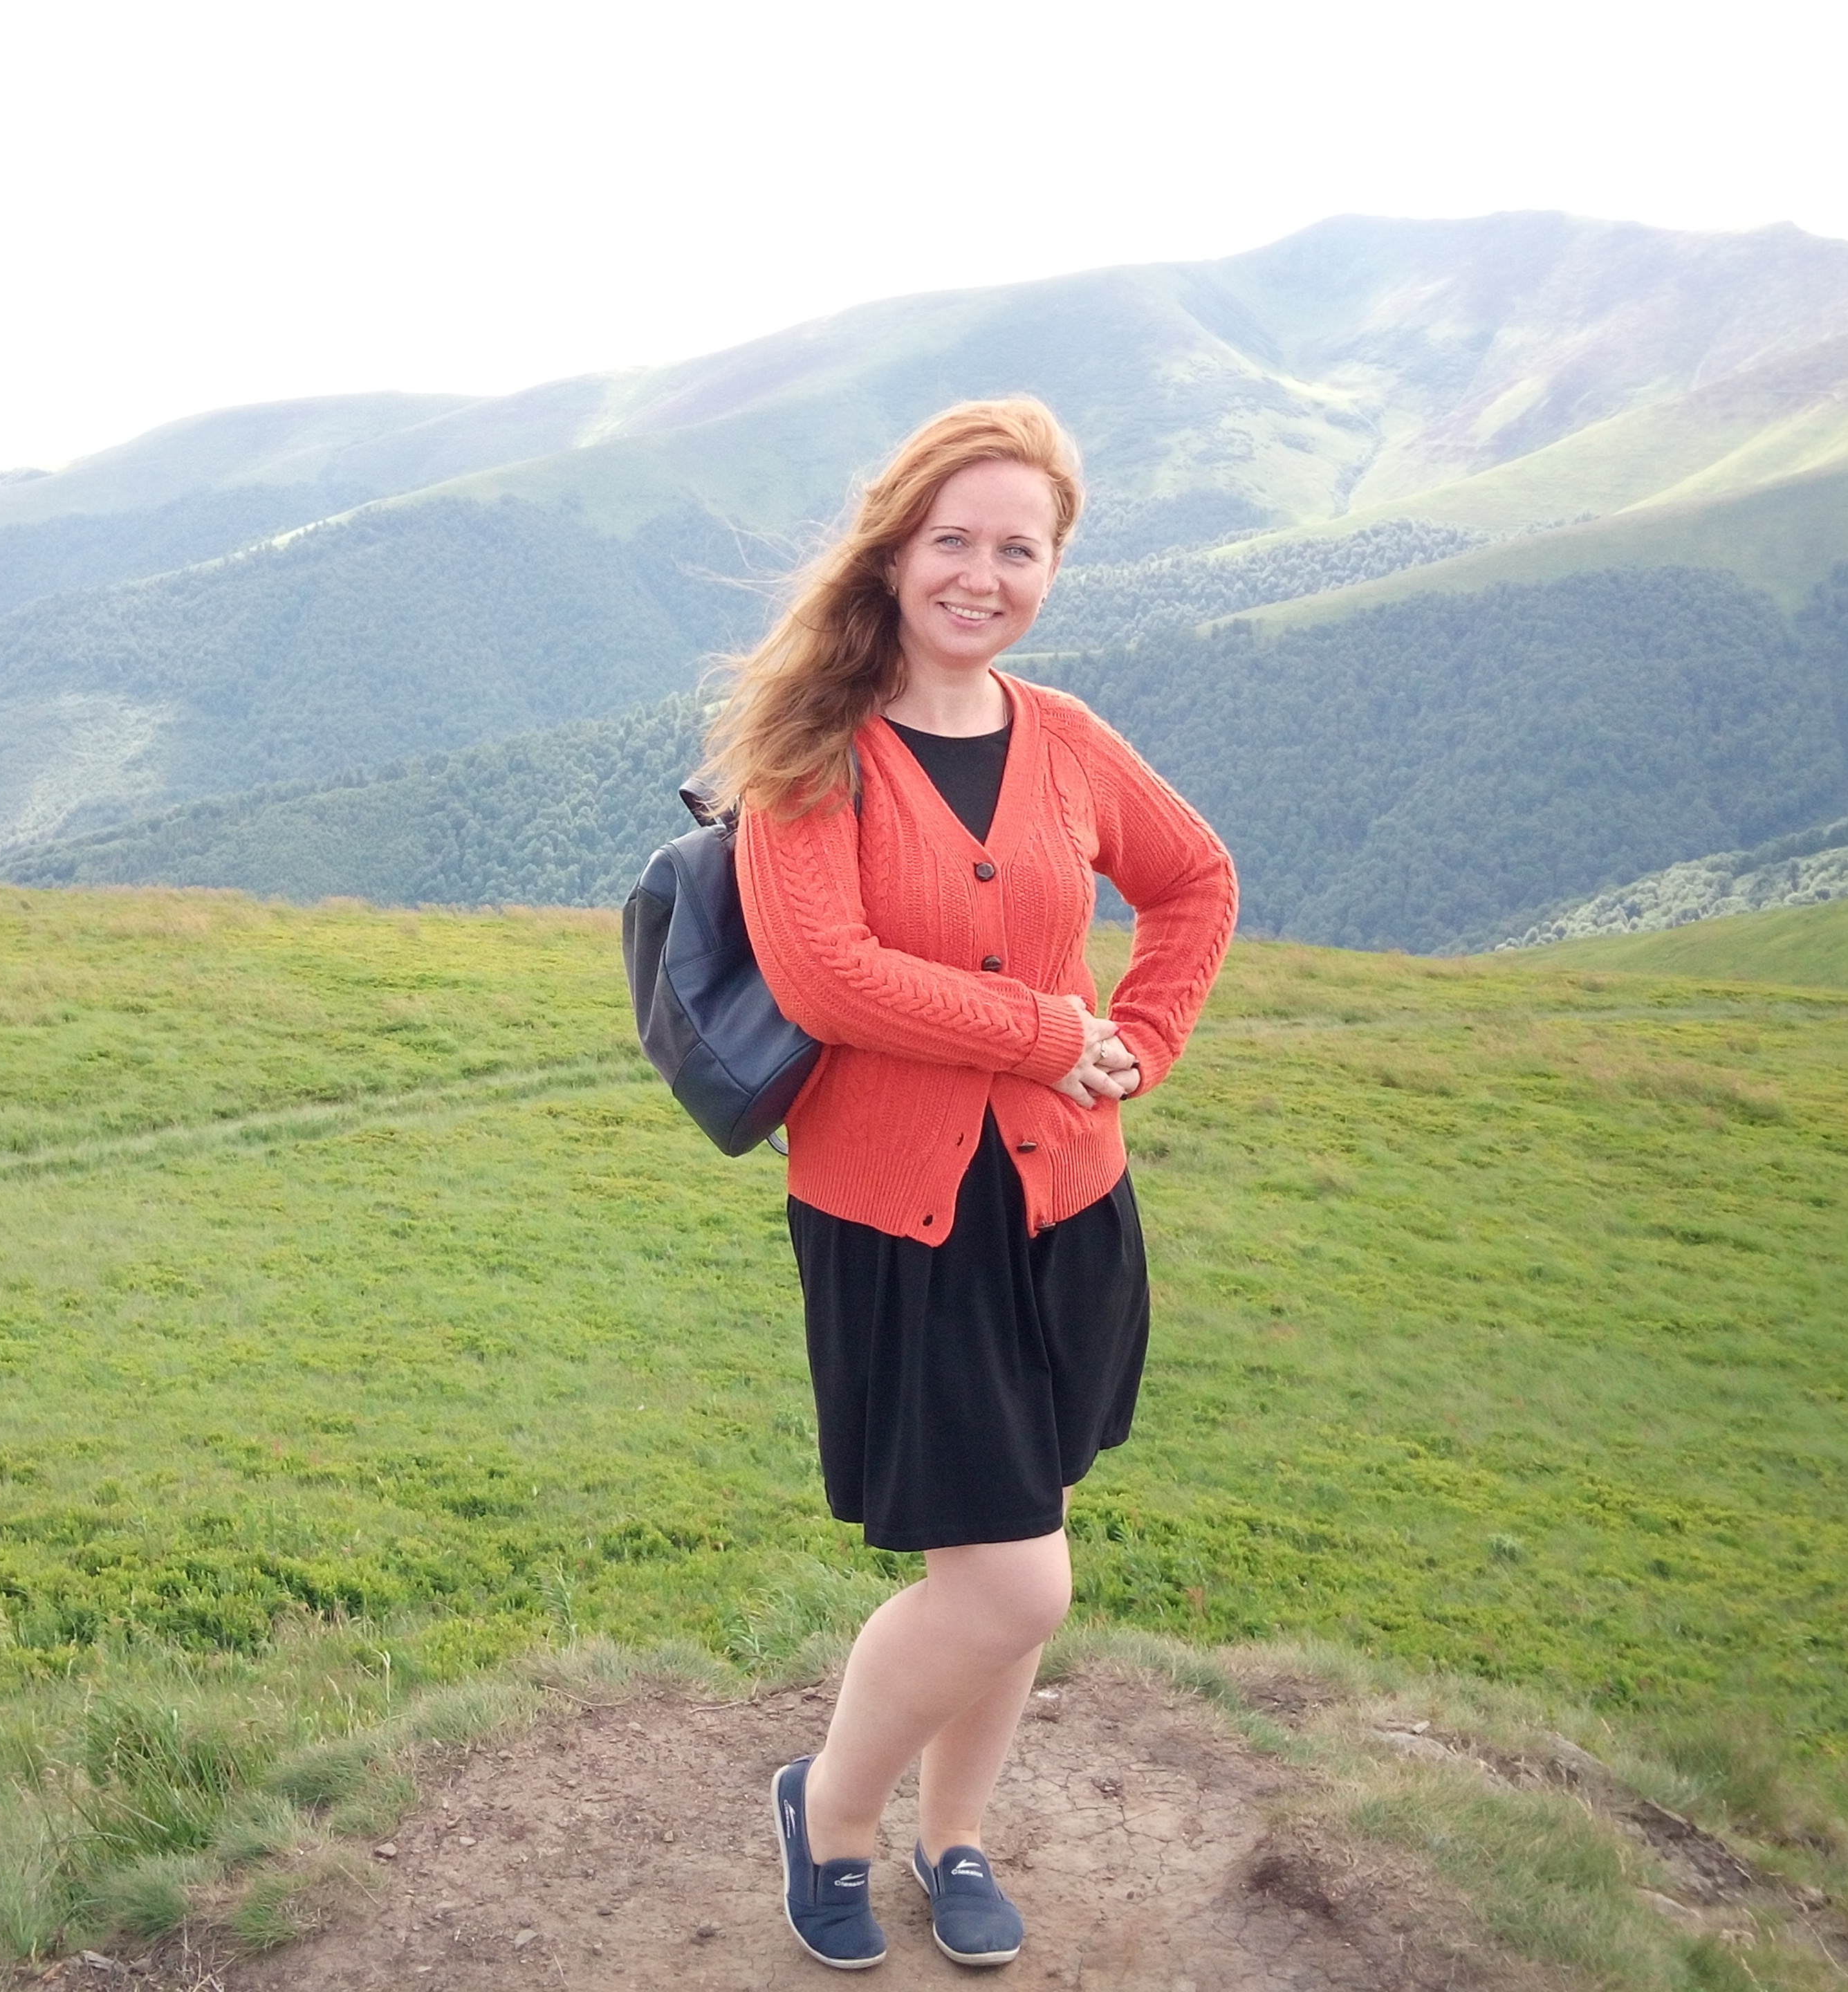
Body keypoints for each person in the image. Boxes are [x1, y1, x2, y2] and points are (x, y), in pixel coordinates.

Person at [712, 398, 1236, 1970]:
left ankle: (953, 1837)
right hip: (902, 1224)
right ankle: (829, 1813)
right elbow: (828, 975)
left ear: (1051, 569)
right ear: (895, 551)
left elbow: (1194, 879)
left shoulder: (1063, 737)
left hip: (1069, 1211)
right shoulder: (815, 747)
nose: (983, 575)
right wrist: (1053, 1033)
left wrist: (1144, 1042)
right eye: (955, 540)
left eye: (1020, 549)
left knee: (1017, 1548)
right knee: (1012, 1584)